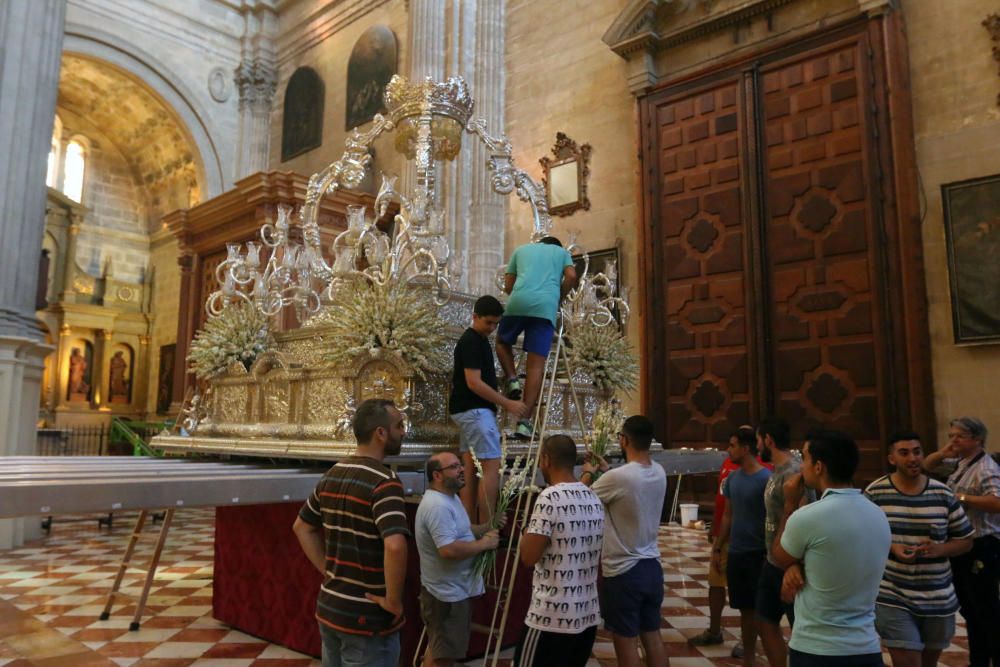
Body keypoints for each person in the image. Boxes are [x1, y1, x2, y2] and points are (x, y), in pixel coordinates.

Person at [292, 399, 409, 667]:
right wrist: (393, 601)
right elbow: (395, 546)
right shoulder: (384, 482)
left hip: (332, 607)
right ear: (380, 433)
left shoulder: (333, 473)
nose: (403, 432)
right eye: (399, 425)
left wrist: (328, 571)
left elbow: (302, 527)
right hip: (367, 619)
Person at [773, 429, 891, 667]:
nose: (801, 467)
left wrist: (789, 505)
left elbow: (779, 556)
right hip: (865, 647)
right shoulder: (878, 514)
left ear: (818, 467)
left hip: (818, 647)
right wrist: (799, 564)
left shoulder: (808, 517)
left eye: (804, 458)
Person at [865, 431, 973, 667]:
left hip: (938, 596)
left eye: (917, 452)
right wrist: (892, 546)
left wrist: (939, 550)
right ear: (891, 458)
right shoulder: (876, 493)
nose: (912, 458)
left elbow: (965, 540)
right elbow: (863, 537)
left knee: (928, 663)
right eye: (904, 453)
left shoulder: (942, 494)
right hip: (892, 594)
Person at [582, 415, 668, 667]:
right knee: (652, 636)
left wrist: (588, 473)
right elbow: (630, 490)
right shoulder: (658, 470)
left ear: (624, 440)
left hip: (624, 570)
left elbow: (580, 500)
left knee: (625, 640)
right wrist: (607, 471)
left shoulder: (620, 478)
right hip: (652, 565)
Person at [517, 434, 604, 666]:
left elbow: (528, 556)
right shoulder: (592, 497)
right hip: (586, 615)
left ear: (546, 459)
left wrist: (524, 531)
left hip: (550, 618)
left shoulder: (549, 498)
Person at [922, 417, 1000, 667]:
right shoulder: (959, 462)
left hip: (983, 545)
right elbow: (927, 465)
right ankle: (978, 660)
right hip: (965, 545)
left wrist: (962, 498)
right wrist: (945, 451)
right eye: (951, 435)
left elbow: (997, 503)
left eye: (960, 436)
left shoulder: (986, 468)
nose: (953, 440)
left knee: (986, 609)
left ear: (977, 439)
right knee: (971, 609)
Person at [416, 451, 503, 667]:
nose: (462, 470)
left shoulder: (449, 498)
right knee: (443, 657)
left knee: (440, 651)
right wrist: (484, 544)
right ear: (437, 475)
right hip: (446, 595)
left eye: (460, 465)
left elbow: (462, 531)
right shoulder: (437, 506)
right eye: (454, 467)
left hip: (452, 590)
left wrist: (486, 528)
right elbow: (448, 550)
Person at [450, 295, 527, 522]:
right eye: (488, 322)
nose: (492, 328)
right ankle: (488, 524)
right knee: (492, 464)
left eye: (496, 324)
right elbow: (473, 382)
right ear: (475, 317)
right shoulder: (471, 341)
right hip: (475, 411)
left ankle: (469, 524)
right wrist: (508, 403)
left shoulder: (479, 339)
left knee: (471, 468)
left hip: (468, 410)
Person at [495, 237, 577, 440]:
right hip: (545, 306)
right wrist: (559, 295)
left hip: (518, 302)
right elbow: (572, 275)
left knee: (501, 342)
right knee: (535, 368)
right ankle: (524, 424)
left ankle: (512, 380)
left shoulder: (521, 249)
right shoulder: (561, 252)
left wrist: (519, 293)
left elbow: (507, 284)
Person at [756, 416, 814, 667]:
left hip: (790, 564)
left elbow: (804, 515)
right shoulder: (778, 471)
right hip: (773, 559)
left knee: (799, 628)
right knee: (764, 619)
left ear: (768, 440)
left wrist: (795, 562)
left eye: (759, 441)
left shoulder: (794, 472)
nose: (758, 446)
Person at [713, 425, 772, 667]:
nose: (729, 450)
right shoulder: (732, 479)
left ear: (746, 448)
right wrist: (718, 547)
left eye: (733, 445)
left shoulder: (766, 479)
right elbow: (728, 514)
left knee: (762, 609)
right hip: (737, 551)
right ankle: (748, 656)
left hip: (758, 552)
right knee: (745, 608)